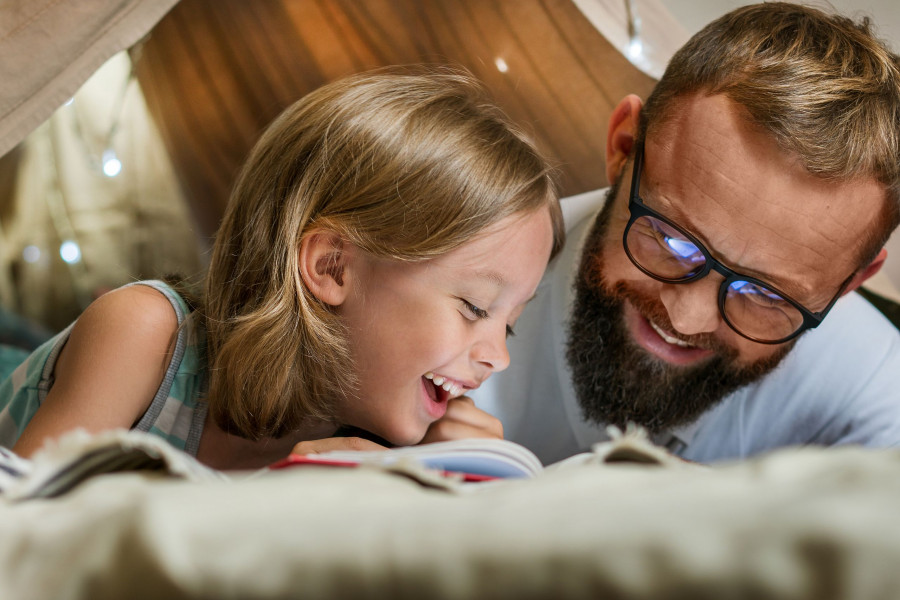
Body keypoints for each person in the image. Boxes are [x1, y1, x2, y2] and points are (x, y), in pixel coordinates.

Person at [0, 68, 564, 469]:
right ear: (333, 266)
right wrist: (267, 499)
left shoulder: (372, 452)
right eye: (475, 307)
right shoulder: (145, 335)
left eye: (508, 323)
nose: (499, 355)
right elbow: (21, 533)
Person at [470, 2, 900, 464]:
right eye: (674, 242)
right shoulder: (444, 285)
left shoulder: (873, 387)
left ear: (851, 283)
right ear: (623, 148)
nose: (686, 321)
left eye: (765, 294)